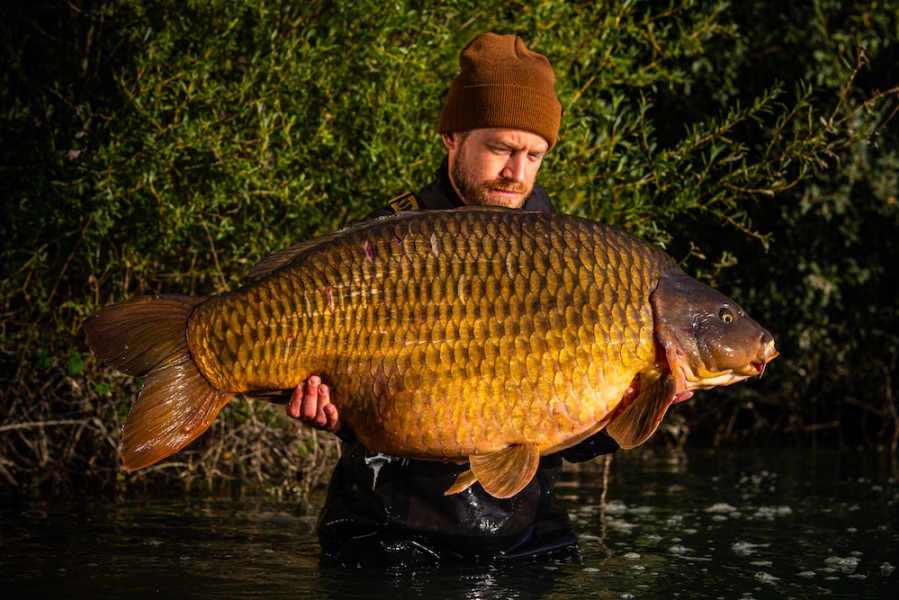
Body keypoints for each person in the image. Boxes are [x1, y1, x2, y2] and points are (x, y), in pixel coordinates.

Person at [286, 33, 619, 567]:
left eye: (533, 155)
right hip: (386, 535)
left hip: (523, 541)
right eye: (501, 149)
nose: (517, 173)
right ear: (452, 137)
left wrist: (633, 411)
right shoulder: (383, 241)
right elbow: (357, 401)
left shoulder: (575, 260)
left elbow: (566, 438)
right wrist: (334, 412)